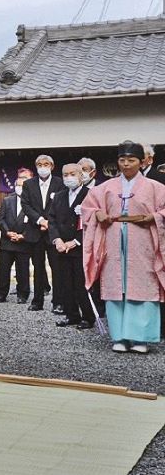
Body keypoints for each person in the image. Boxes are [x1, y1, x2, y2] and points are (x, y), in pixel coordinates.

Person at [82, 141, 165, 354]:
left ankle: (141, 339)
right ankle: (119, 337)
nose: (126, 164)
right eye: (122, 160)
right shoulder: (106, 187)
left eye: (131, 160)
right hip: (112, 238)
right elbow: (88, 207)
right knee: (116, 286)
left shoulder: (156, 187)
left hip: (143, 239)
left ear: (142, 161)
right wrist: (97, 213)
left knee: (142, 286)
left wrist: (154, 217)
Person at [48, 164, 94, 329]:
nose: (68, 177)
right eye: (65, 174)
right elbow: (51, 219)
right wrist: (57, 240)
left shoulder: (90, 195)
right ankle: (71, 314)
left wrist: (75, 241)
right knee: (64, 283)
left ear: (81, 175)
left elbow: (93, 223)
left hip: (80, 247)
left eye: (72, 174)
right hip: (61, 247)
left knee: (81, 283)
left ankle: (88, 317)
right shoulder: (59, 196)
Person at [21, 154, 65, 312]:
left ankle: (59, 302)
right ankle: (37, 301)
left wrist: (50, 223)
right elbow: (25, 205)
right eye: (40, 164)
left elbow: (62, 205)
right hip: (35, 231)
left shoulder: (60, 183)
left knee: (57, 267)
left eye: (46, 164)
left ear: (52, 166)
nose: (43, 167)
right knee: (38, 268)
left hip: (54, 233)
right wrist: (40, 220)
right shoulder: (28, 184)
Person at [0, 172, 33, 303]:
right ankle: (1, 294)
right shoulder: (7, 200)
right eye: (18, 185)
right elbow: (0, 220)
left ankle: (23, 294)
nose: (20, 187)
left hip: (24, 241)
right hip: (7, 241)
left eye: (23, 186)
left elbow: (34, 222)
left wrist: (23, 235)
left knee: (23, 269)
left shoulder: (32, 203)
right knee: (4, 269)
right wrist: (7, 232)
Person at [79, 156, 105, 317]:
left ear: (93, 172)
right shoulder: (74, 190)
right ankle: (86, 306)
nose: (81, 174)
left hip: (98, 235)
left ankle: (101, 306)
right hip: (79, 237)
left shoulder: (102, 189)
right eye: (79, 170)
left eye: (85, 170)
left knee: (99, 271)